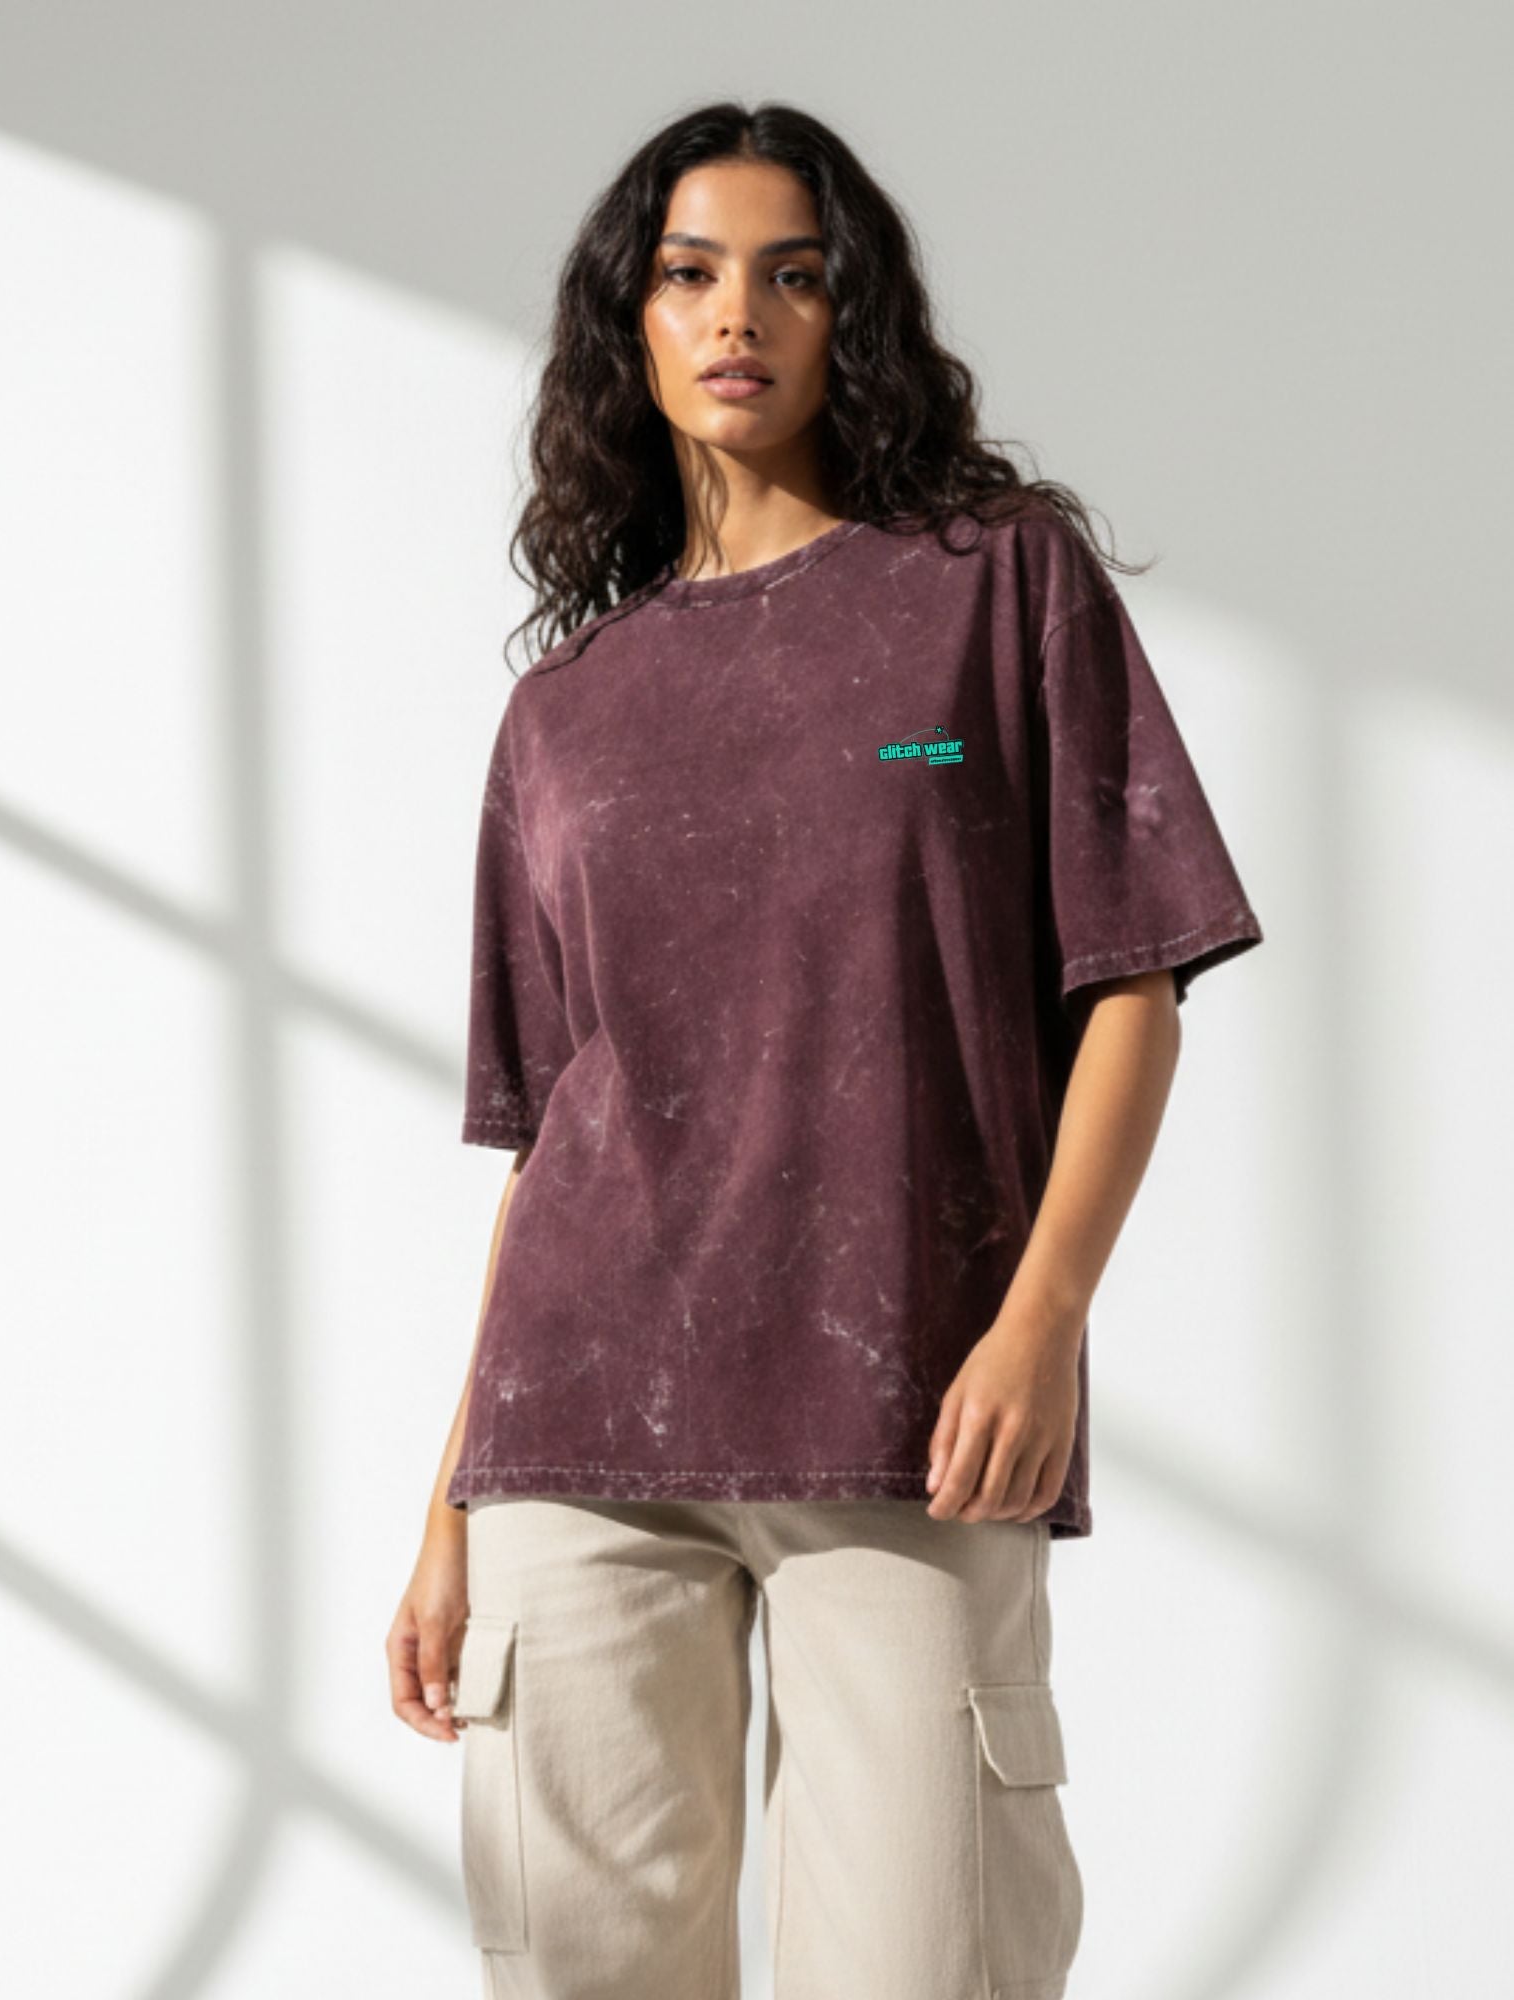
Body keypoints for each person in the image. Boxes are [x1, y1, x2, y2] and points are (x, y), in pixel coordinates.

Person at [386, 99, 1264, 2000]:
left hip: (909, 1411)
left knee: (926, 1963)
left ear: (853, 315)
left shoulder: (994, 586)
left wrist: (1043, 1319)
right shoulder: (565, 713)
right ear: (627, 324)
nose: (739, 316)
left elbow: (1134, 979)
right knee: (583, 1975)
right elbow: (552, 1138)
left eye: (795, 275)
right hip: (580, 1433)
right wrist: (452, 1505)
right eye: (689, 274)